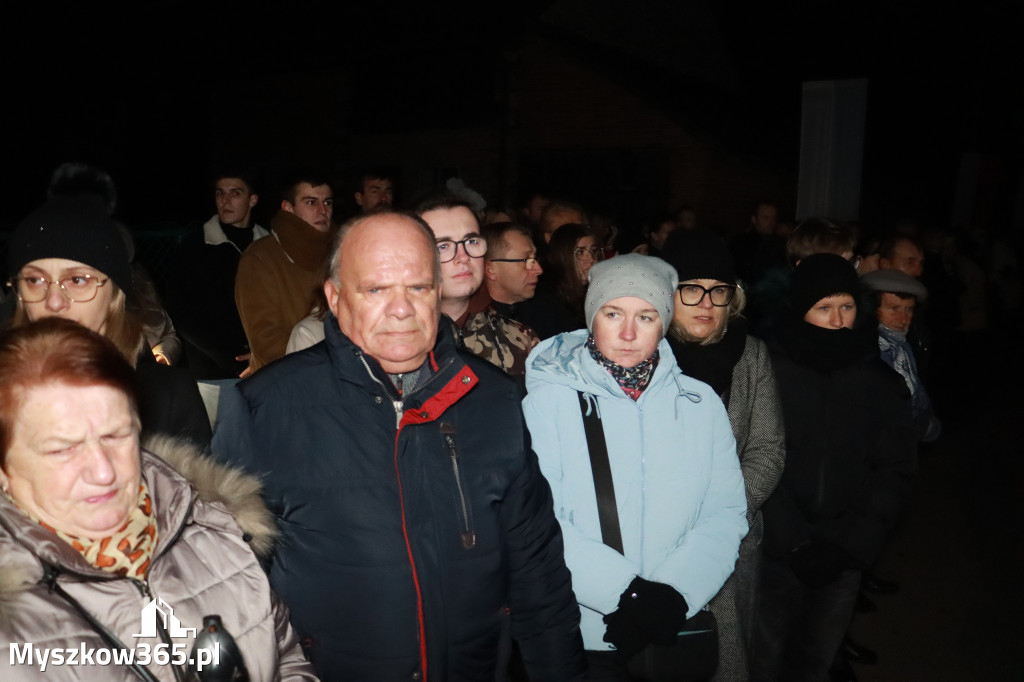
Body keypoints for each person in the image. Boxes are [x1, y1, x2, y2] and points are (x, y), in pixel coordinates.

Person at [211, 210, 585, 681]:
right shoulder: (265, 408)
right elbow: (222, 589)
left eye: (418, 287)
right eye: (376, 289)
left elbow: (538, 571)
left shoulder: (492, 399)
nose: (402, 308)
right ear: (335, 297)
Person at [0, 318, 316, 681]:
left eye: (116, 435)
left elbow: (286, 658)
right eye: (62, 449)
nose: (103, 472)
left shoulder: (214, 530)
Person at [523, 253, 748, 680]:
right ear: (593, 316)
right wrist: (624, 593)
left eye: (645, 317)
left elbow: (725, 511)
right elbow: (538, 519)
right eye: (613, 313)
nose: (628, 333)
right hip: (583, 627)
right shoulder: (549, 403)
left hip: (674, 619)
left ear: (664, 322)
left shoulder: (699, 405)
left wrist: (674, 595)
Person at [750, 254, 917, 682]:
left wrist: (853, 544)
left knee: (815, 660)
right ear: (801, 310)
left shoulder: (879, 382)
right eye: (824, 308)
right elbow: (753, 459)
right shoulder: (769, 374)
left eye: (846, 306)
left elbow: (893, 469)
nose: (838, 320)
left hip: (844, 554)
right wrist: (794, 542)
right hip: (778, 553)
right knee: (763, 661)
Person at [663, 230, 786, 681]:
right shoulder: (643, 352)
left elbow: (768, 450)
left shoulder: (751, 355)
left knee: (728, 660)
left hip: (732, 540)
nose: (706, 303)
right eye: (691, 289)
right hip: (657, 544)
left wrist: (723, 514)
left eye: (719, 291)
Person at [5, 196, 211, 449]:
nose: (54, 301)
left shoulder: (167, 397)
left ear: (115, 294)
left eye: (77, 280)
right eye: (35, 281)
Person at [417, 196, 540, 377]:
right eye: (443, 246)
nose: (464, 257)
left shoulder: (522, 340)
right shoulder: (393, 341)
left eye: (472, 242)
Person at [168, 169, 268, 379]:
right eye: (220, 193)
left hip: (265, 365)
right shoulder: (194, 246)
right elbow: (182, 313)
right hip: (212, 371)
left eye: (235, 193)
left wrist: (266, 351)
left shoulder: (269, 245)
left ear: (253, 200)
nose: (225, 200)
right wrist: (231, 358)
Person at [235, 173, 335, 373]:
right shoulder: (261, 258)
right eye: (311, 202)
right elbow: (265, 339)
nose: (322, 211)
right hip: (289, 380)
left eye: (327, 203)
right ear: (288, 208)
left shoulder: (344, 251)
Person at [861, 269, 940, 442]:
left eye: (909, 309)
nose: (904, 318)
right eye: (894, 308)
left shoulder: (899, 341)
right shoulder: (875, 350)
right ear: (871, 308)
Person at [528, 223, 602, 340]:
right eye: (580, 252)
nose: (591, 259)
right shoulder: (545, 303)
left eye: (594, 251)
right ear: (563, 256)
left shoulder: (596, 294)